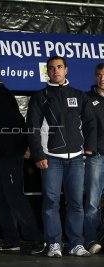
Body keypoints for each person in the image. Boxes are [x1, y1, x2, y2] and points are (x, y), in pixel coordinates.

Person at [26, 55, 96, 258]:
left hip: (76, 159)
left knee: (75, 202)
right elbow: (32, 128)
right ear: (47, 72)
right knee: (51, 203)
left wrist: (88, 148)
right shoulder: (40, 97)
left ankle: (76, 244)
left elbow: (91, 123)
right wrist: (38, 154)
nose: (55, 71)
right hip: (50, 158)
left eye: (59, 67)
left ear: (66, 70)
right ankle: (54, 243)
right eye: (51, 68)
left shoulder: (80, 95)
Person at [0, 68, 45, 254]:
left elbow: (13, 124)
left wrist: (22, 146)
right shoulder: (0, 94)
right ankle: (11, 238)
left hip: (8, 154)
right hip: (3, 155)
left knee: (14, 196)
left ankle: (36, 238)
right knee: (2, 198)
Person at [84, 63, 104, 255]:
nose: (102, 78)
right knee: (92, 202)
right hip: (97, 157)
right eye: (99, 75)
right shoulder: (88, 99)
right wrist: (89, 149)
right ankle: (90, 240)